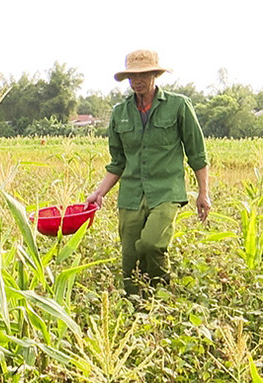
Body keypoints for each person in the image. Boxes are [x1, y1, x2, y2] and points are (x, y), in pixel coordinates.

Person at [86, 49, 210, 296]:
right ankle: (135, 304)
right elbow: (117, 162)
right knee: (130, 256)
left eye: (143, 75)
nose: (137, 81)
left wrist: (203, 193)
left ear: (155, 74)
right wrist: (98, 192)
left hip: (166, 191)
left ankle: (160, 294)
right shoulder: (120, 113)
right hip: (131, 194)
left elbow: (197, 154)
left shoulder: (178, 106)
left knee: (152, 244)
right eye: (132, 76)